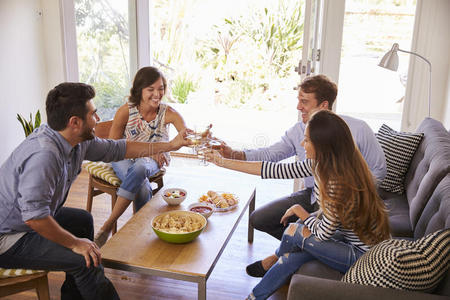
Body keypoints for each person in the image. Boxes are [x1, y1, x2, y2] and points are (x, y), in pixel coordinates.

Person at [0, 82, 190, 300]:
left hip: (24, 219)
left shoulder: (73, 139)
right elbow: (35, 218)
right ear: (75, 122)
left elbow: (118, 148)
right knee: (86, 260)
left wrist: (169, 145)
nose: (98, 120)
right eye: (94, 114)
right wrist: (74, 243)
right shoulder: (45, 156)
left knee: (82, 221)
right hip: (9, 235)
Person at [206, 110, 391, 300]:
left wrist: (299, 211)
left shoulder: (337, 181)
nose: (303, 144)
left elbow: (323, 234)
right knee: (291, 257)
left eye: (307, 140)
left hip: (363, 256)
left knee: (295, 230)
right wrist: (223, 162)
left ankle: (273, 260)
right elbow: (273, 169)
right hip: (347, 239)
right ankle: (254, 297)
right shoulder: (320, 164)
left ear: (323, 145)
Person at [213, 75, 386, 245]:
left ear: (323, 105)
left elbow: (379, 170)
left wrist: (347, 193)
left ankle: (296, 252)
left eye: (304, 101)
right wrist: (230, 155)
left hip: (342, 200)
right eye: (298, 100)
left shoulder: (359, 129)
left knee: (316, 231)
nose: (298, 107)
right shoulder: (299, 132)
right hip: (312, 195)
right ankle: (303, 248)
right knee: (259, 218)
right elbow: (271, 159)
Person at [94, 66, 187, 247]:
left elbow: (185, 134)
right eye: (150, 89)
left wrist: (199, 136)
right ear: (139, 90)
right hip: (123, 156)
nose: (157, 94)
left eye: (160, 88)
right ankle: (141, 233)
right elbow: (112, 147)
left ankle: (107, 225)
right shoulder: (126, 111)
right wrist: (151, 149)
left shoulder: (168, 113)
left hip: (150, 162)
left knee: (140, 168)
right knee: (142, 185)